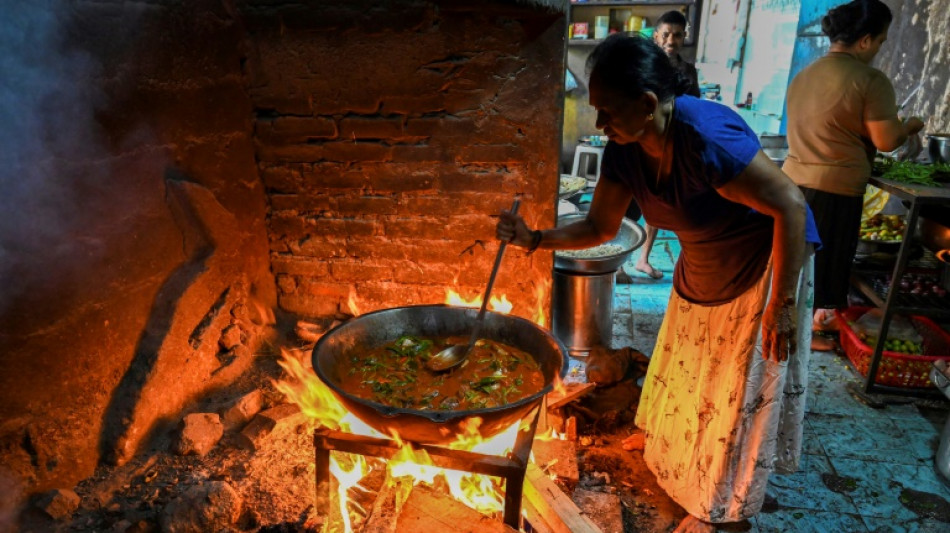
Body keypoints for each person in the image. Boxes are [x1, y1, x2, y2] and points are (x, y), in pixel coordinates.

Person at [498, 35, 820, 532]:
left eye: (607, 111)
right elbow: (599, 228)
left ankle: (722, 506)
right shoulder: (626, 150)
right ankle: (675, 456)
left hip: (765, 266)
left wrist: (781, 304)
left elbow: (791, 206)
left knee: (733, 390)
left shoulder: (708, 138)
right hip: (705, 258)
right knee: (690, 371)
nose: (600, 124)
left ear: (648, 104)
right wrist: (536, 239)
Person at [783, 0, 925, 351]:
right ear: (864, 41)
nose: (878, 50)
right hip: (834, 187)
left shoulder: (806, 73)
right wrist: (911, 125)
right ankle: (806, 333)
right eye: (880, 42)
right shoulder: (869, 79)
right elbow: (887, 140)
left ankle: (805, 323)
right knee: (824, 263)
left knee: (799, 259)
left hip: (792, 182)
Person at [625, 9, 701, 280]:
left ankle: (642, 259)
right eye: (666, 34)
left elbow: (695, 108)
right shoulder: (644, 65)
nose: (671, 40)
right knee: (630, 206)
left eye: (678, 35)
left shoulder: (688, 71)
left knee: (659, 204)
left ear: (684, 37)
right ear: (656, 36)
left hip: (671, 146)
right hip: (640, 142)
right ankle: (619, 263)